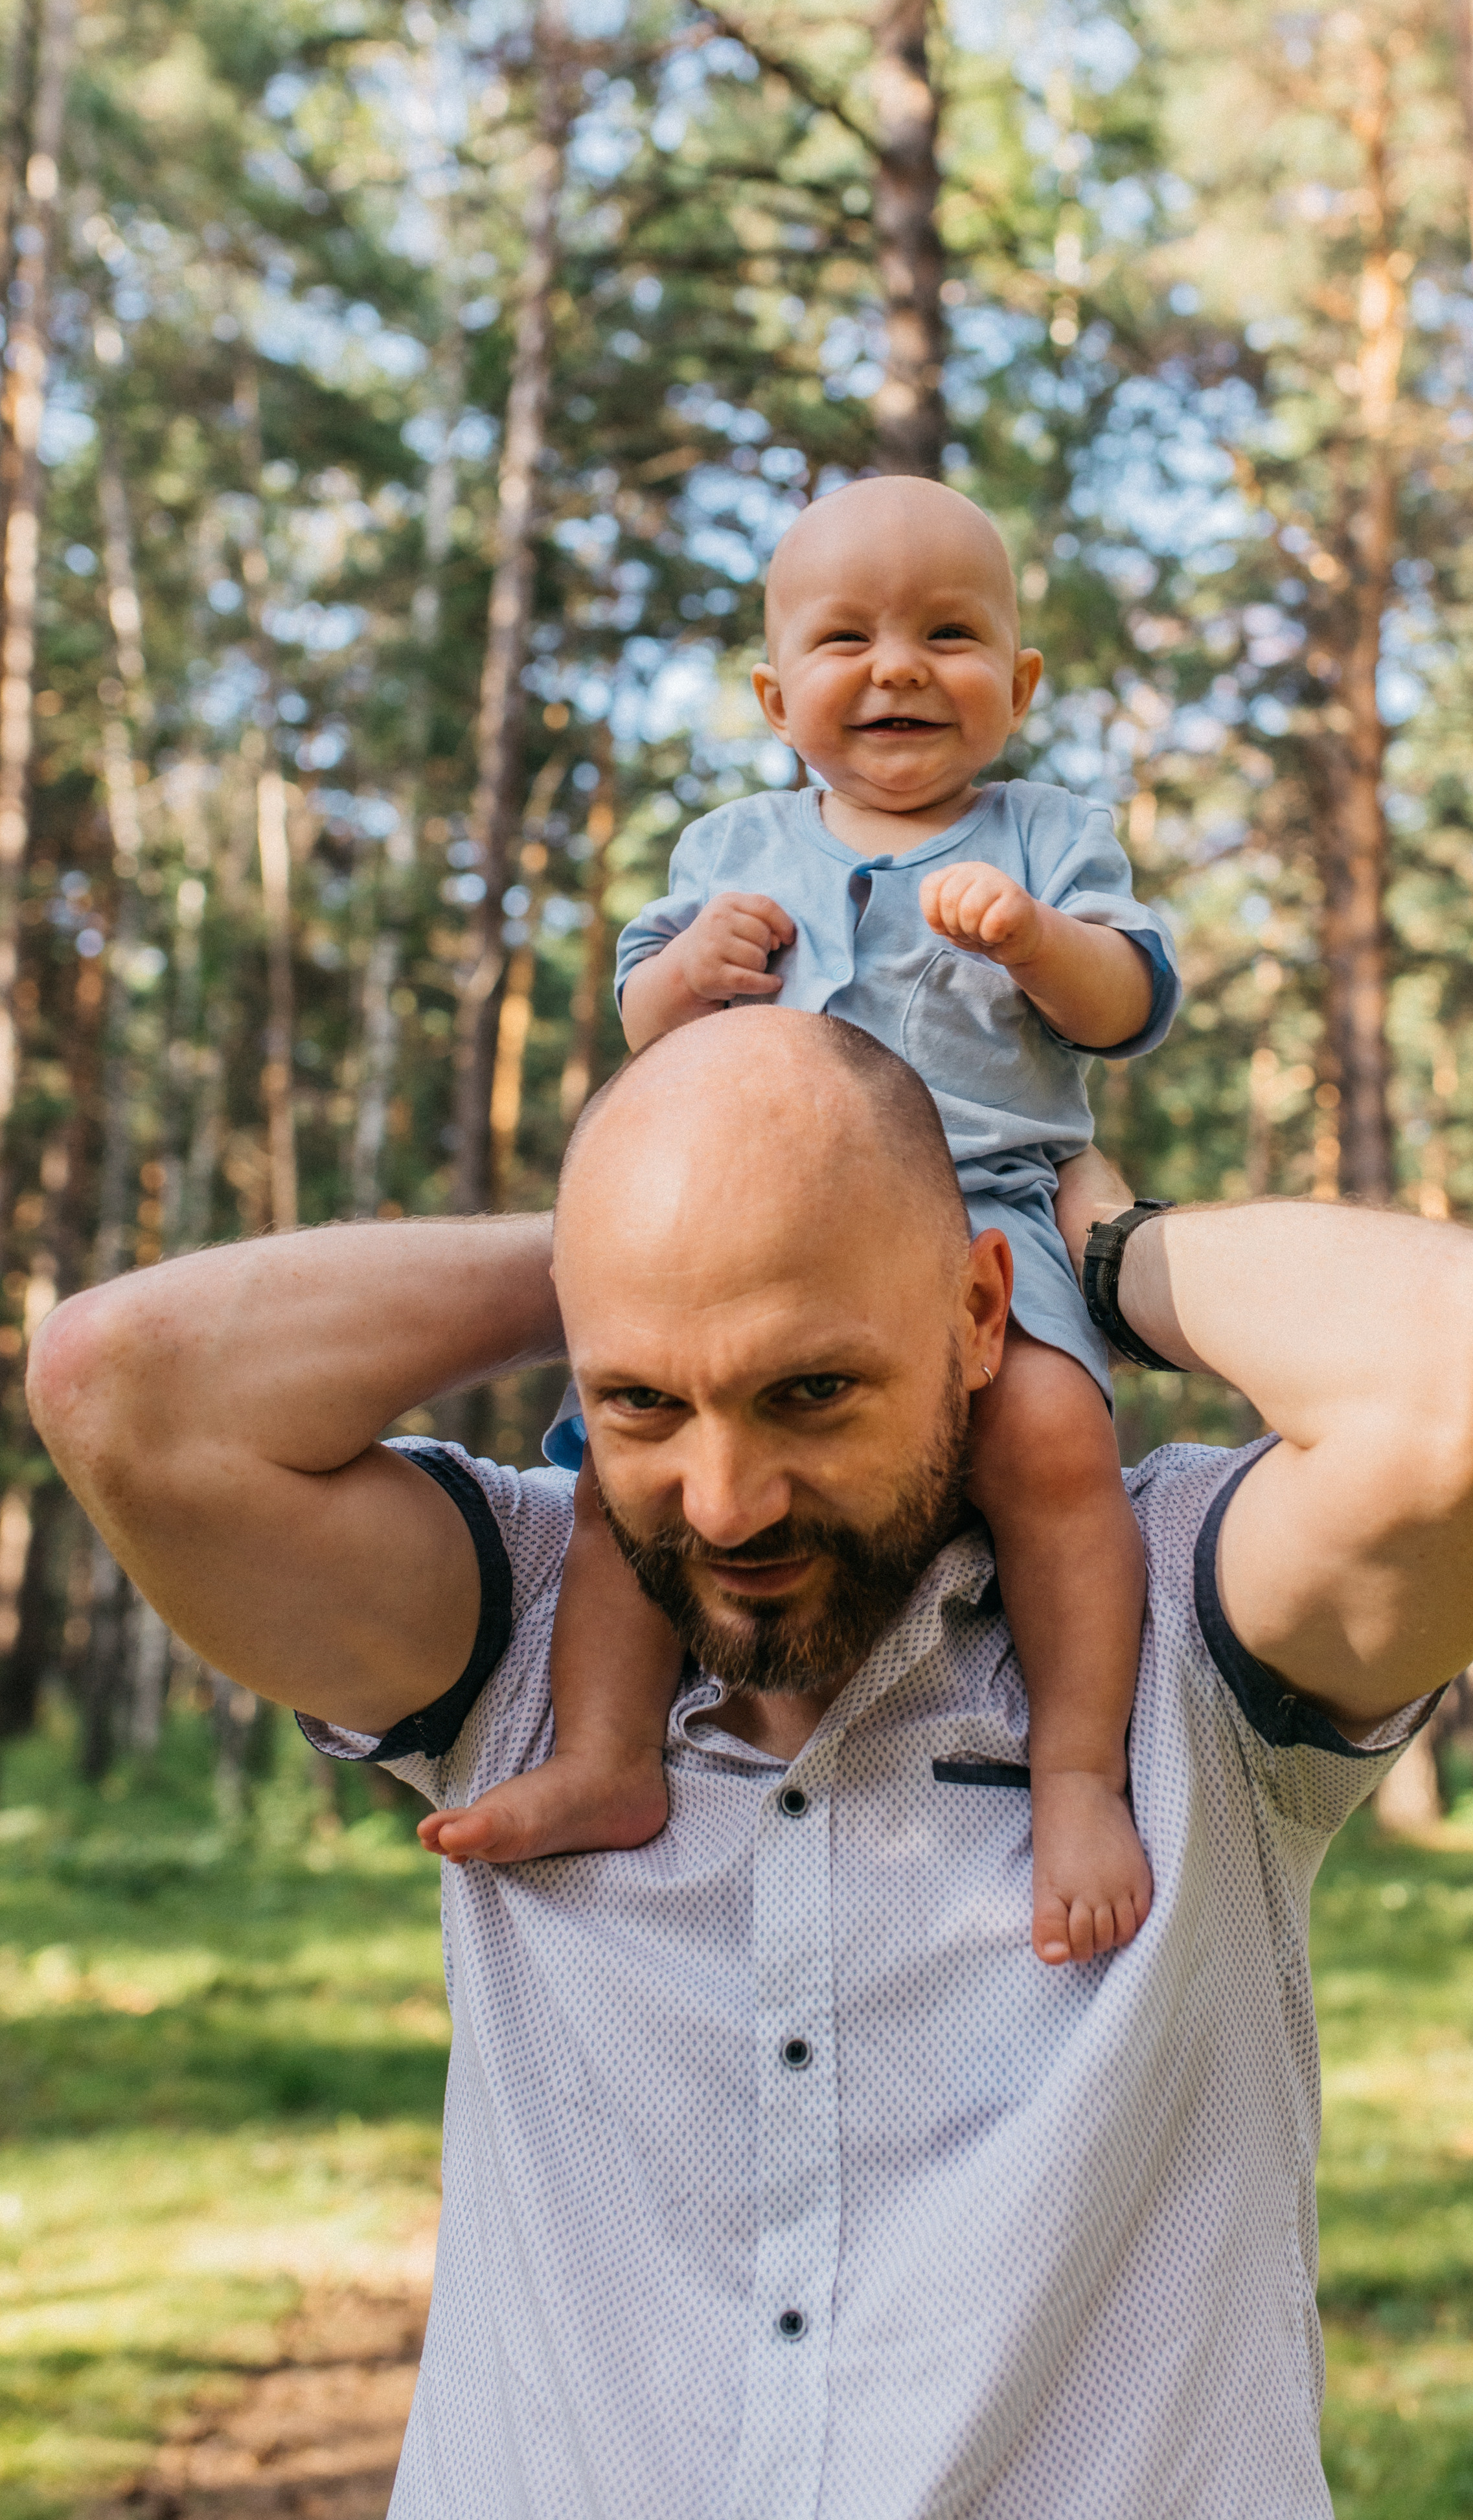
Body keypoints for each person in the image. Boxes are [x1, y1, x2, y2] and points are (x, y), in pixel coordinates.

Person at [29, 1010, 1473, 2520]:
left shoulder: (1176, 1634)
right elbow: (120, 1385)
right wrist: (618, 1250)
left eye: (809, 1389)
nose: (724, 1501)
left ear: (977, 1314)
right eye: (642, 1398)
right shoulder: (530, 1637)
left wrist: (1103, 1250)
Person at [422, 475, 1182, 1967]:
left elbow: (1127, 1003)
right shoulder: (732, 845)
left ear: (1018, 682)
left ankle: (1077, 1772)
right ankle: (605, 1752)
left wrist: (1036, 939)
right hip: (747, 1237)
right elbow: (643, 1018)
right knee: (624, 1480)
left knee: (1051, 1442)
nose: (897, 667)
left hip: (985, 1204)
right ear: (776, 695)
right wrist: (691, 965)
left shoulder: (1045, 832)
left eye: (947, 634)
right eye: (846, 638)